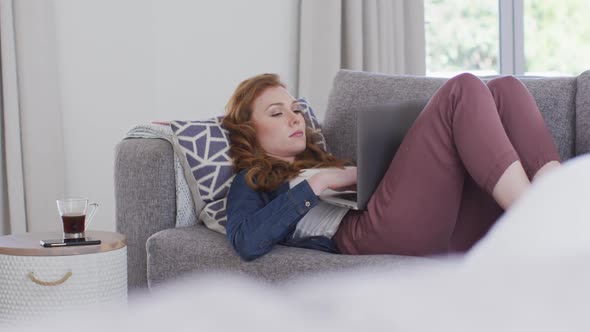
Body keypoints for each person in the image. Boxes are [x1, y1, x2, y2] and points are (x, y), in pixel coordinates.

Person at [221, 72, 561, 261]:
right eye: (277, 112)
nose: (294, 117)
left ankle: (565, 210)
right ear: (249, 131)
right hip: (366, 235)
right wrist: (321, 182)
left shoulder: (321, 160)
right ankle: (543, 224)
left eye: (295, 108)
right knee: (463, 88)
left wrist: (353, 174)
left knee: (506, 87)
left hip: (440, 227)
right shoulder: (250, 181)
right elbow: (245, 241)